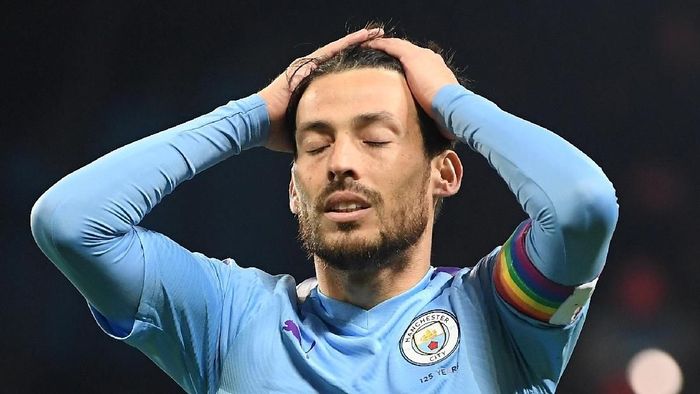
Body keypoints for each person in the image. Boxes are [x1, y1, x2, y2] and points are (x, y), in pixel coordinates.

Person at [31, 27, 619, 393]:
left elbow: (582, 206)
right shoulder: (230, 320)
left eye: (375, 138)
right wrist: (252, 115)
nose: (340, 161)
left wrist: (450, 100)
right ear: (293, 189)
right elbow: (71, 222)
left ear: (444, 173)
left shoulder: (498, 317)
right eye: (314, 143)